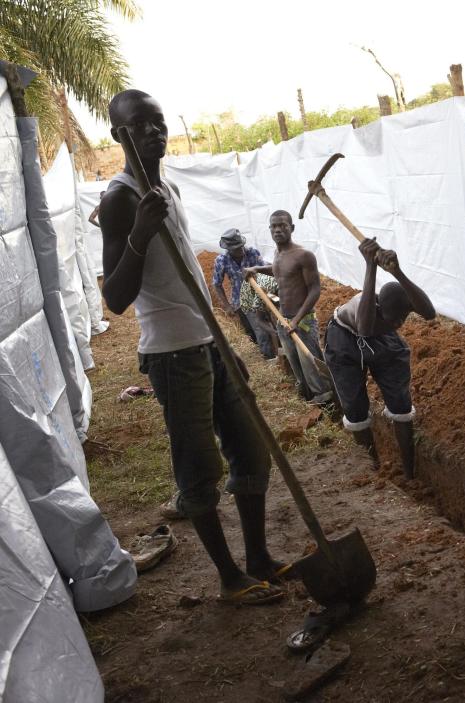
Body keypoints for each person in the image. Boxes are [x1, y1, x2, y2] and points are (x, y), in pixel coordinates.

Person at [97, 89, 285, 605]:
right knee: (200, 470)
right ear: (119, 135)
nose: (155, 132)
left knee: (252, 454)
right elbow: (115, 297)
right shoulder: (120, 199)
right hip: (172, 357)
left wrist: (227, 347)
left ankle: (259, 558)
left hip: (209, 345)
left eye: (159, 123)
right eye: (141, 125)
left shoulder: (170, 188)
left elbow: (196, 286)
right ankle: (230, 580)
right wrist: (138, 233)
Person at [322, 238, 436, 479]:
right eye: (391, 319)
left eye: (401, 320)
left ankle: (409, 473)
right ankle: (372, 469)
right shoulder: (363, 307)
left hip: (381, 342)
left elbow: (429, 313)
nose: (397, 324)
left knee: (401, 402)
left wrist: (397, 272)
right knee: (355, 407)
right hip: (345, 340)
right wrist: (370, 266)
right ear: (379, 309)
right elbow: (364, 329)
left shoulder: (398, 303)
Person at [244, 211, 334, 404]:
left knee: (312, 367)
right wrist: (257, 269)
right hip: (283, 319)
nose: (277, 229)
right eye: (273, 226)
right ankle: (310, 401)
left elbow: (315, 290)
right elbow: (279, 272)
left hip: (302, 321)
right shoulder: (278, 254)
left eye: (282, 225)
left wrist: (297, 319)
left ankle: (326, 403)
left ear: (291, 228)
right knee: (297, 367)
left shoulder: (304, 255)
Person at [211, 229, 270, 354]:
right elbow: (217, 284)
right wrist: (227, 306)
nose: (241, 250)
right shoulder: (222, 260)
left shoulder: (252, 253)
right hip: (238, 301)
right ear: (229, 249)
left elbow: (266, 271)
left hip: (257, 297)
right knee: (250, 331)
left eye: (241, 246)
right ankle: (261, 354)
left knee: (261, 330)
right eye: (236, 248)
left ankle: (269, 357)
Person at [238, 272, 280, 360]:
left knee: (276, 325)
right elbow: (259, 320)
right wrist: (274, 333)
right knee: (261, 331)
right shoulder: (260, 295)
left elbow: (276, 301)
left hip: (265, 292)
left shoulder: (280, 286)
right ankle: (269, 358)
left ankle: (279, 350)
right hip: (248, 302)